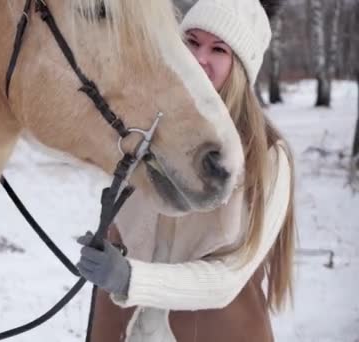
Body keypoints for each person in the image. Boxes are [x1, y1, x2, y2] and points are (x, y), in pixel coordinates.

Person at [76, 0, 295, 341]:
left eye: (218, 49)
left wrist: (130, 279)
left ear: (240, 66)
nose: (198, 58)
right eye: (191, 41)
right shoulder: (144, 131)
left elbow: (228, 279)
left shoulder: (267, 157)